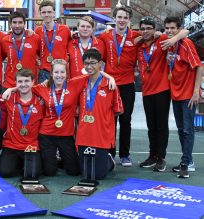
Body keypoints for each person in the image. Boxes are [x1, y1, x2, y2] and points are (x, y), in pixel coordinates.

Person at [3, 59, 115, 176]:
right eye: (56, 72)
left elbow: (92, 72)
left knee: (74, 172)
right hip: (47, 135)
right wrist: (10, 89)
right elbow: (26, 86)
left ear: (66, 74)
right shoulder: (43, 87)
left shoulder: (74, 84)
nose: (59, 75)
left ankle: (106, 160)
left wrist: (110, 78)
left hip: (66, 135)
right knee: (49, 172)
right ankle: (54, 161)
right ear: (51, 73)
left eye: (62, 72)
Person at [137, 17, 189, 172]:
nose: (145, 31)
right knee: (151, 126)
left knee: (161, 126)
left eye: (149, 28)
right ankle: (152, 155)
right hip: (146, 91)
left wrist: (173, 40)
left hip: (162, 90)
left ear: (154, 29)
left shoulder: (162, 40)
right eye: (143, 28)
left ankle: (161, 158)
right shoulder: (139, 46)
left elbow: (185, 31)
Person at [98, 5, 138, 166]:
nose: (122, 20)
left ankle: (125, 155)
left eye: (125, 18)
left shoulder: (136, 36)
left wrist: (157, 33)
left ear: (129, 20)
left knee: (125, 120)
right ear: (114, 19)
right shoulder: (105, 36)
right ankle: (109, 152)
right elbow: (99, 60)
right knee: (110, 121)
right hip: (110, 85)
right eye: (119, 17)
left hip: (128, 85)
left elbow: (154, 36)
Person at [164, 17, 203, 178]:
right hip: (176, 94)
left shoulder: (185, 44)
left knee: (187, 130)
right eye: (167, 28)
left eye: (173, 28)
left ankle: (186, 163)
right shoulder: (169, 45)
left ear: (179, 29)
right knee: (181, 130)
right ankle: (189, 161)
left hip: (188, 95)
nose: (169, 31)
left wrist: (196, 91)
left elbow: (199, 67)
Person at [76, 48, 123, 180]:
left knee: (99, 176)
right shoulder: (80, 82)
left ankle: (108, 159)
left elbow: (118, 110)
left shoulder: (110, 85)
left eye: (93, 63)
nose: (89, 66)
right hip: (83, 135)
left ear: (100, 64)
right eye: (86, 63)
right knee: (84, 174)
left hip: (101, 136)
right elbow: (61, 81)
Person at [0, 69, 44, 177]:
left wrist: (12, 88)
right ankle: (18, 163)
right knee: (5, 172)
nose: (23, 84)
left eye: (26, 81)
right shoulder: (9, 98)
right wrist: (10, 89)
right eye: (20, 82)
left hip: (31, 145)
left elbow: (48, 85)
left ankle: (26, 163)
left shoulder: (41, 101)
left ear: (33, 82)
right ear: (16, 83)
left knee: (32, 174)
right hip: (11, 145)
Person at [1, 11, 40, 89]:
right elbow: (0, 59)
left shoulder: (35, 38)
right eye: (14, 22)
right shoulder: (5, 40)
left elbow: (41, 56)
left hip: (29, 85)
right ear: (10, 24)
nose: (17, 25)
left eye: (20, 22)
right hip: (10, 85)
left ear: (24, 24)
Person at [35, 0, 71, 83]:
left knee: (61, 95)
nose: (47, 15)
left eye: (49, 12)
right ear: (40, 14)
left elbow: (73, 44)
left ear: (54, 13)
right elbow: (35, 50)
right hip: (44, 72)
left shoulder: (65, 30)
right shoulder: (37, 31)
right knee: (44, 96)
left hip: (61, 71)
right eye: (44, 12)